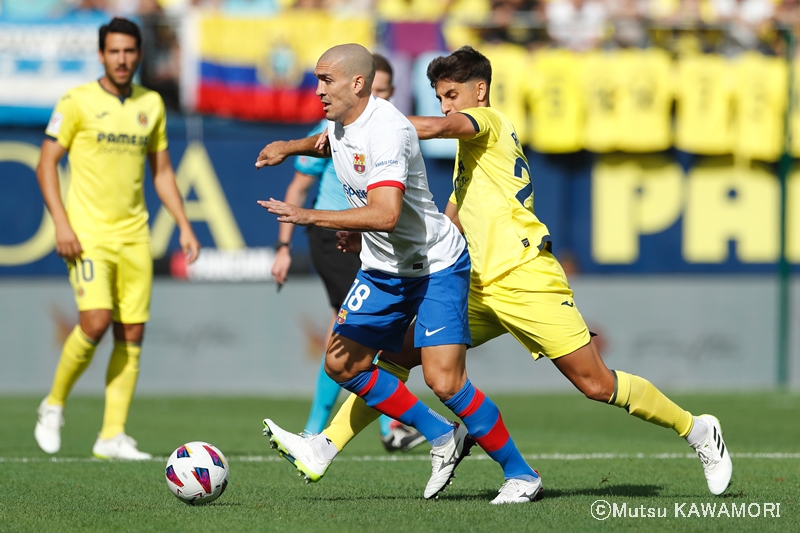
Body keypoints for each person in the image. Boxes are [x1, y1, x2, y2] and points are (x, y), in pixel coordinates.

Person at [278, 45, 734, 499]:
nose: (445, 105)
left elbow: (437, 127)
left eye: (452, 94)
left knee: (596, 383)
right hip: (474, 281)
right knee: (397, 357)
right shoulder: (469, 157)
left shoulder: (490, 123)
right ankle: (327, 444)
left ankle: (697, 430)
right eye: (439, 96)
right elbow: (448, 219)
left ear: (481, 90)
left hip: (525, 276)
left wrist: (375, 126)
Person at [255, 44, 541, 503]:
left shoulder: (387, 130)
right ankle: (441, 435)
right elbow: (324, 143)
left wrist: (309, 216)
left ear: (357, 84)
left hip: (436, 265)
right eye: (317, 79)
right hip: (385, 268)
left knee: (444, 381)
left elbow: (385, 214)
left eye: (326, 80)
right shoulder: (342, 119)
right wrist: (287, 148)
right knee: (342, 363)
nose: (318, 89)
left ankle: (521, 474)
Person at [34, 17, 200, 460]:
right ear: (101, 55)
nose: (122, 59)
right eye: (114, 51)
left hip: (134, 235)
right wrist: (62, 224)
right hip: (88, 234)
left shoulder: (151, 103)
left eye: (129, 51)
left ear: (139, 55)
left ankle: (111, 435)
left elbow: (162, 172)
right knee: (95, 322)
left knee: (132, 332)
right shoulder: (77, 102)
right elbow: (46, 164)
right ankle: (53, 405)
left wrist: (184, 225)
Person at [272, 53, 424, 453]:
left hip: (375, 239)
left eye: (388, 90)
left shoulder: (389, 129)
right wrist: (284, 246)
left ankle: (388, 425)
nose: (382, 95)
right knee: (349, 332)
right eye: (379, 87)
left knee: (376, 336)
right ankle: (318, 429)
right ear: (360, 84)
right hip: (334, 236)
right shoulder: (334, 128)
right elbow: (298, 190)